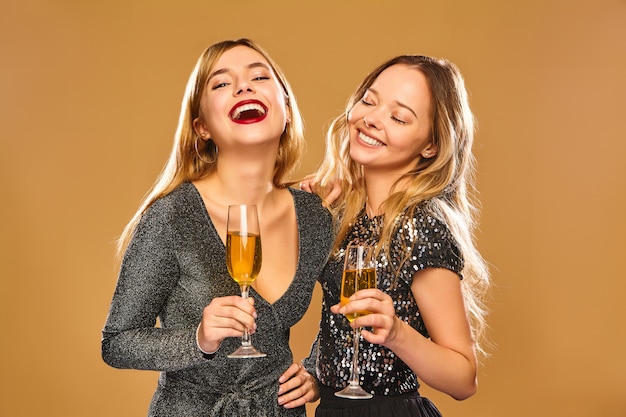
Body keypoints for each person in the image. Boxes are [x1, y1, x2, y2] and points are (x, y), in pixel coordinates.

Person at [101, 38, 333, 417]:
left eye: (259, 76)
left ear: (286, 109)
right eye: (222, 83)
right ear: (202, 127)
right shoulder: (172, 215)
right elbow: (117, 342)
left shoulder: (316, 216)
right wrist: (198, 339)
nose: (244, 86)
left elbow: (350, 309)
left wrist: (315, 370)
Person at [300, 55, 491, 416]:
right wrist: (316, 374)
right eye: (368, 101)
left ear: (430, 146)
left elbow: (464, 378)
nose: (371, 119)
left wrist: (396, 334)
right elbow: (339, 327)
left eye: (398, 117)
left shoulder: (422, 228)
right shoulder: (343, 214)